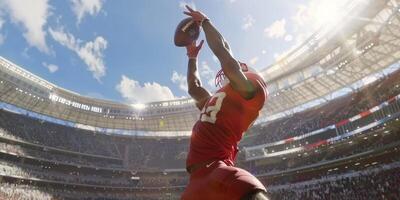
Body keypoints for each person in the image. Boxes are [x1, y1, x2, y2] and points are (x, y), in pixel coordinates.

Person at [181, 6, 269, 200]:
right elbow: (194, 87)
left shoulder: (249, 92)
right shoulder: (216, 101)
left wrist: (205, 22)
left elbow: (226, 57)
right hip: (197, 179)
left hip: (216, 171)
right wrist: (192, 57)